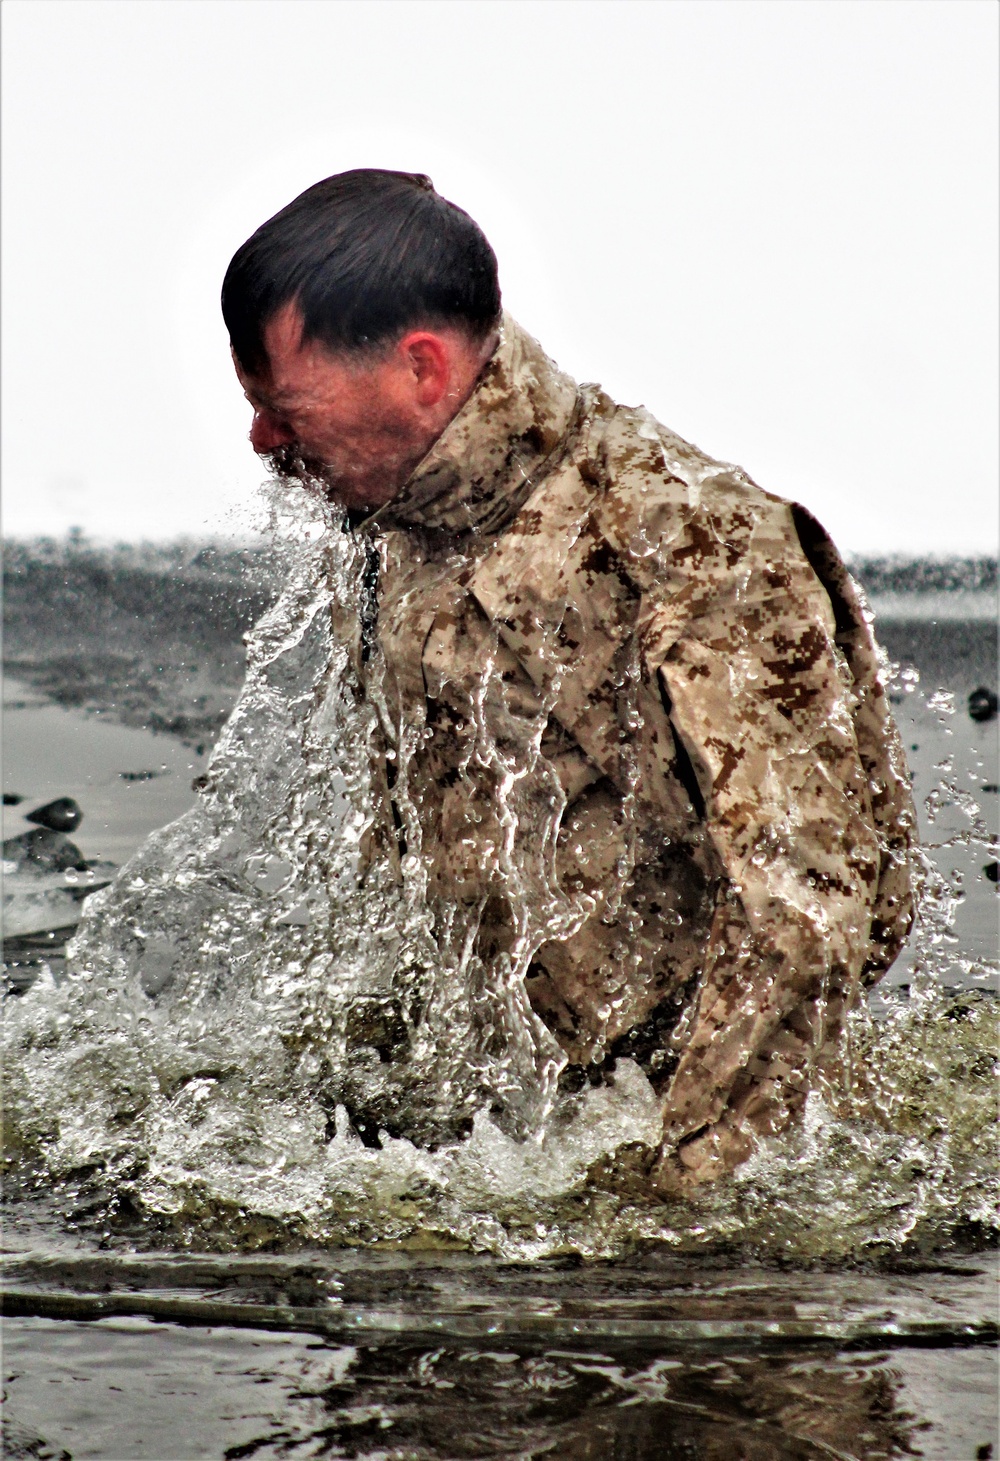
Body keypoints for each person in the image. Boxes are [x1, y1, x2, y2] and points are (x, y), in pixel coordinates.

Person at [221, 168, 915, 1190]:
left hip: (696, 1145)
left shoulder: (687, 536)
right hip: (511, 1123)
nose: (263, 442)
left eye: (286, 407)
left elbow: (809, 907)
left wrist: (672, 1199)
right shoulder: (386, 530)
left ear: (421, 368)